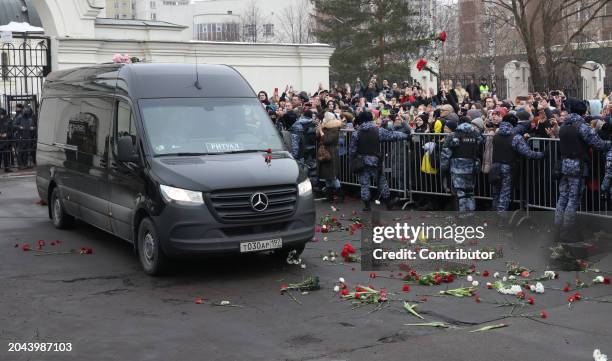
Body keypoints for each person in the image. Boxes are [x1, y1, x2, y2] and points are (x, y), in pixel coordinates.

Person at [554, 99, 611, 244]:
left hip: (564, 165)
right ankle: (567, 233)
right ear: (584, 112)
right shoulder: (582, 127)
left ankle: (557, 229)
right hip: (577, 166)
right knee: (572, 201)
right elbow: (598, 144)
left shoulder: (563, 125)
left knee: (562, 199)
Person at [349, 110, 409, 211]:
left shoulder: (356, 133)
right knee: (382, 182)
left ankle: (367, 206)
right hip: (375, 161)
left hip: (362, 162)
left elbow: (352, 151)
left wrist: (352, 162)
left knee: (364, 184)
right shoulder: (378, 130)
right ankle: (388, 203)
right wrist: (406, 136)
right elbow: (392, 135)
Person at [490, 114, 544, 218]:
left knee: (496, 194)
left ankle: (493, 217)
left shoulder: (496, 135)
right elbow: (527, 153)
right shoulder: (515, 137)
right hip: (508, 168)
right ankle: (501, 221)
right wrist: (542, 154)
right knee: (504, 195)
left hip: (495, 167)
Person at [440, 121, 482, 217]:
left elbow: (446, 153)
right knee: (470, 191)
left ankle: (462, 215)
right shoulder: (476, 135)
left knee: (460, 192)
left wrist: (444, 167)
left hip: (457, 168)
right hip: (472, 167)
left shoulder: (453, 135)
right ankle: (471, 213)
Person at [317, 112, 344, 203]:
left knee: (333, 176)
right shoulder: (326, 128)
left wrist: (321, 132)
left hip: (331, 153)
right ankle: (330, 197)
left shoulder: (334, 129)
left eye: (325, 117)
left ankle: (341, 195)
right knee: (327, 176)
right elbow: (319, 137)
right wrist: (319, 130)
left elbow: (328, 140)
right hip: (326, 152)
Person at [0, 108, 13, 172]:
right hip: (1, 140)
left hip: (6, 141)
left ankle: (6, 168)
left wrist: (7, 134)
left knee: (6, 155)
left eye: (2, 114)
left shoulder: (8, 121)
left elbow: (11, 130)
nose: (1, 116)